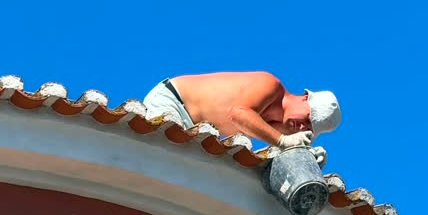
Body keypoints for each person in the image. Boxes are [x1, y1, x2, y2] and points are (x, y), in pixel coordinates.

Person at [143, 71, 340, 162]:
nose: (300, 127)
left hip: (194, 128)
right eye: (306, 119)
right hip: (173, 102)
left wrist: (306, 155)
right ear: (305, 99)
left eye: (306, 129)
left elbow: (281, 151)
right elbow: (238, 114)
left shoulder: (280, 129)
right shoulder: (270, 85)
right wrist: (283, 141)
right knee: (167, 157)